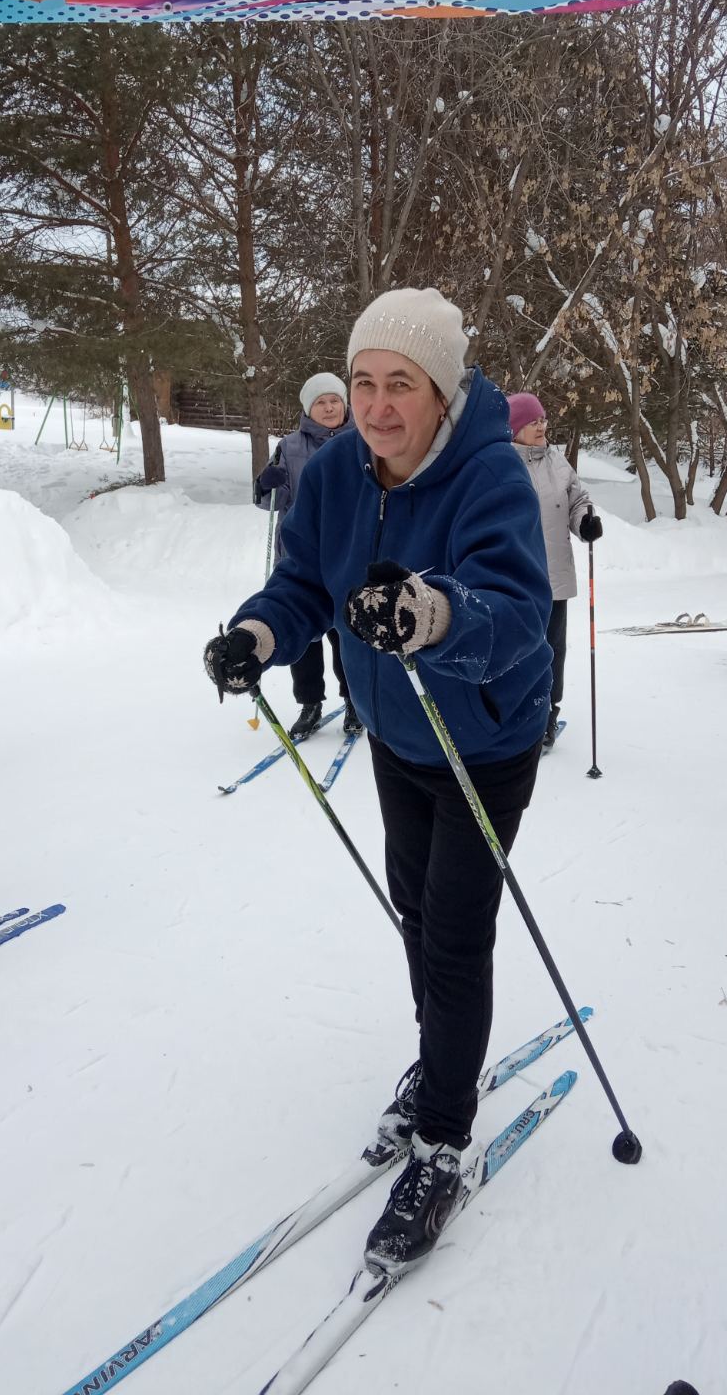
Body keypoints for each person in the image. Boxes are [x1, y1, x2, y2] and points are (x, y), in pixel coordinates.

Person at [206, 288, 553, 1273]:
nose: (377, 404)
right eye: (364, 382)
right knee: (416, 910)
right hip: (401, 734)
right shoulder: (334, 474)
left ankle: (443, 1134)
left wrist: (430, 613)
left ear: (441, 391)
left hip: (482, 739)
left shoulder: (488, 472)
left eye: (401, 383)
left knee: (454, 931)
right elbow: (303, 584)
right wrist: (258, 635)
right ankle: (441, 1061)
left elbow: (516, 609)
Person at [254, 372, 360, 738]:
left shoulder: (365, 440)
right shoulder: (289, 446)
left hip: (348, 553)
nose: (329, 408)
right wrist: (266, 484)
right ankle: (310, 703)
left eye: (334, 400)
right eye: (320, 402)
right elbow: (272, 502)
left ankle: (354, 702)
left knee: (348, 633)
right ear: (308, 410)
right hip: (301, 553)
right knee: (304, 637)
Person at [506, 392, 602, 747]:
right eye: (533, 421)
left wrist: (585, 520)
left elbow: (578, 499)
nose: (541, 425)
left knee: (552, 649)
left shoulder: (557, 462)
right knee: (517, 649)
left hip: (554, 577)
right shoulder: (500, 463)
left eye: (543, 419)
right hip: (513, 577)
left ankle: (546, 713)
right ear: (515, 427)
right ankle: (513, 712)